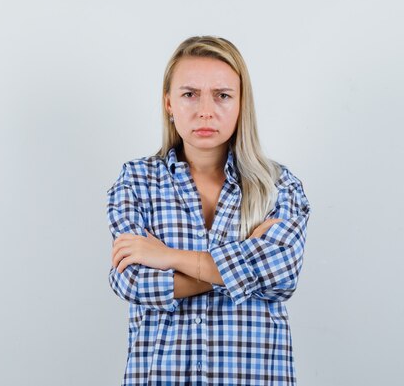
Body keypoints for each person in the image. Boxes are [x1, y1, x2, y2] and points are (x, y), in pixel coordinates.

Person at [106, 36, 311, 386]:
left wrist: (166, 255)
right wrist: (245, 266)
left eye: (222, 95)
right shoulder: (136, 181)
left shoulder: (279, 186)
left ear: (241, 103)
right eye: (189, 94)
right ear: (168, 102)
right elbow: (135, 280)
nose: (205, 110)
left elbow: (281, 273)